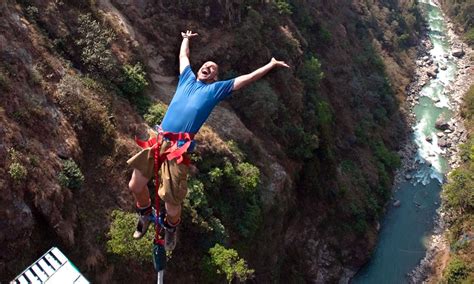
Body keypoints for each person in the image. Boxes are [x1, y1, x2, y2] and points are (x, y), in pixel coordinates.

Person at [127, 30, 289, 251]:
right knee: (135, 184)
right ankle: (145, 213)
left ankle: (170, 228)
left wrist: (270, 65)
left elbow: (246, 79)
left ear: (214, 77)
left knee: (172, 204)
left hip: (178, 148)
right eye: (206, 65)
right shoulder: (187, 79)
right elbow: (183, 57)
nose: (208, 67)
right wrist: (185, 39)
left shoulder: (216, 90)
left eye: (212, 68)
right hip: (159, 139)